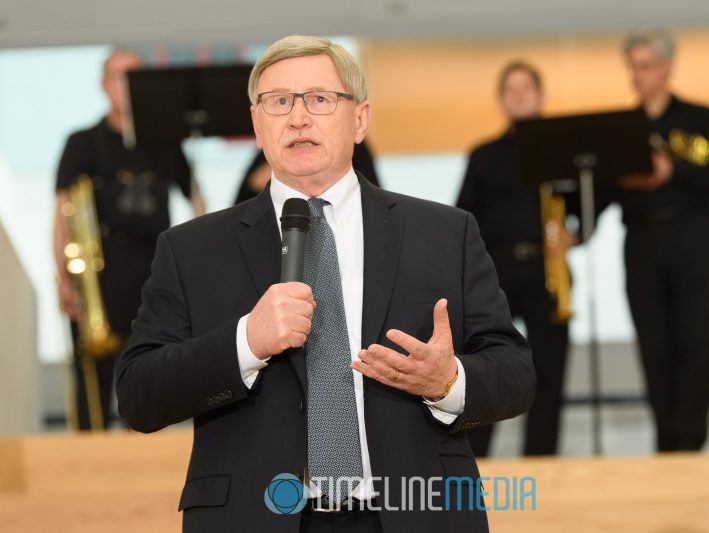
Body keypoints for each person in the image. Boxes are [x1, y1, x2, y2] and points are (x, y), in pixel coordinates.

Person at [115, 35, 534, 533]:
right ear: (256, 124)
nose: (297, 118)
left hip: (413, 515)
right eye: (278, 102)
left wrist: (449, 382)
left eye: (319, 99)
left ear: (360, 119)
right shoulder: (190, 249)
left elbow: (515, 373)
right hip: (255, 518)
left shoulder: (445, 233)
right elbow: (138, 395)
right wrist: (245, 343)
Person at [53, 49, 205, 431]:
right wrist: (63, 278)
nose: (126, 87)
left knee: (154, 362)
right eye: (118, 77)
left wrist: (202, 258)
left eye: (134, 77)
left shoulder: (166, 140)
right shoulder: (82, 142)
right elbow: (62, 213)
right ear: (104, 85)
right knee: (95, 369)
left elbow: (197, 199)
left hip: (156, 265)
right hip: (102, 271)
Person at [616, 30, 709, 451]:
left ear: (667, 66)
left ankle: (691, 442)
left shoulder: (699, 117)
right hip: (641, 240)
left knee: (693, 341)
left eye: (645, 66)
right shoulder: (624, 127)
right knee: (653, 345)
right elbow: (607, 189)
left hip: (691, 236)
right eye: (632, 67)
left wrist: (673, 173)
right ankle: (666, 441)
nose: (637, 75)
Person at [457, 61, 575, 456]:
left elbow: (590, 199)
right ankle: (480, 462)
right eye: (512, 89)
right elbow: (463, 218)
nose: (520, 95)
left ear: (540, 95)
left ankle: (544, 460)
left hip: (548, 271)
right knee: (488, 368)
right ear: (502, 100)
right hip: (497, 275)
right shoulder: (484, 155)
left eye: (527, 88)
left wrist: (580, 232)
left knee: (549, 370)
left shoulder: (563, 151)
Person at [234, 140, 380, 204]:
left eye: (320, 100)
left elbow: (372, 190)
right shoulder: (274, 147)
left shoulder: (355, 147)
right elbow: (254, 183)